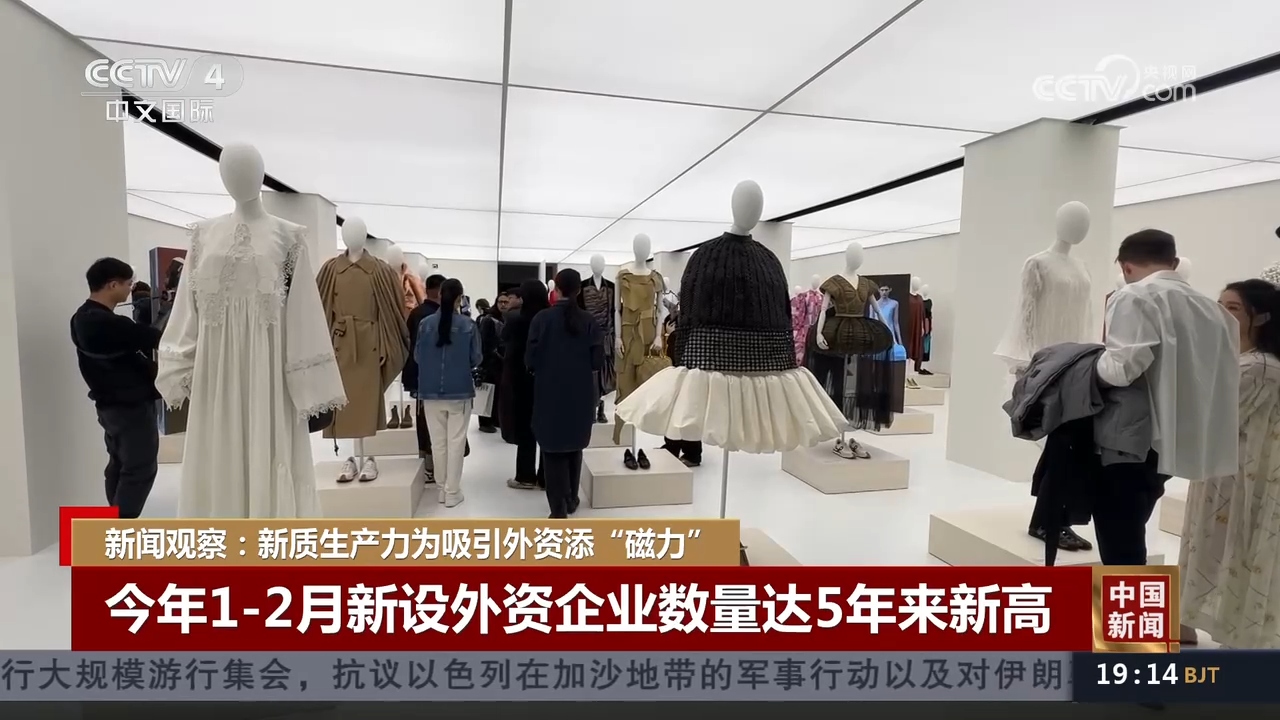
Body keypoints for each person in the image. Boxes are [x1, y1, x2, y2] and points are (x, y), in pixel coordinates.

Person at [1095, 229, 1239, 564]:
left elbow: (1121, 369)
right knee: (1132, 527)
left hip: (1132, 437)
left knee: (1120, 542)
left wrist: (1086, 362)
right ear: (1173, 262)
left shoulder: (1134, 297)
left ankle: (1128, 599)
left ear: (1126, 267)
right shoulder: (1212, 310)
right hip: (1176, 439)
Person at [1179, 279, 1280, 648]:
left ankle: (1238, 631)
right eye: (1219, 304)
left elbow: (1214, 415)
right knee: (1204, 543)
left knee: (1234, 546)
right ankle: (1186, 620)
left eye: (1233, 308)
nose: (1221, 313)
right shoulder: (1236, 359)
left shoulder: (1261, 367)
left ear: (1261, 317)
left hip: (1246, 478)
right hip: (1220, 471)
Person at [70, 258, 163, 519]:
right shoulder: (109, 323)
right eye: (128, 284)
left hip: (109, 406)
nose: (130, 289)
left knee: (120, 464)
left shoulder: (80, 317)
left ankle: (114, 520)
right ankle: (121, 527)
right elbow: (155, 338)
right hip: (129, 406)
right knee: (140, 468)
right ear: (113, 285)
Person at [527, 269, 604, 518]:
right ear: (579, 290)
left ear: (556, 289)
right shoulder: (589, 321)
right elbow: (597, 361)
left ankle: (558, 508)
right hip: (580, 393)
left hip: (548, 392)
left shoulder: (541, 319)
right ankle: (571, 498)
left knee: (552, 450)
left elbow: (530, 360)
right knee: (574, 446)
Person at [415, 278, 480, 508]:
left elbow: (417, 357)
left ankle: (442, 489)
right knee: (456, 442)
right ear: (460, 298)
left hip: (429, 390)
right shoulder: (468, 325)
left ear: (440, 295)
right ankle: (452, 491)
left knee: (437, 443)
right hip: (459, 390)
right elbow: (476, 358)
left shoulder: (425, 324)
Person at [501, 279, 550, 489]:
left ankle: (525, 475)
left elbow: (507, 348)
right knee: (547, 429)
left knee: (525, 429)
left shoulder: (515, 319)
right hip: (547, 380)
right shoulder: (550, 318)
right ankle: (546, 477)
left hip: (521, 381)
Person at [404, 274, 445, 482]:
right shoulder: (438, 316)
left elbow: (409, 343)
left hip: (418, 373)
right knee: (436, 421)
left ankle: (426, 463)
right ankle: (433, 465)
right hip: (435, 375)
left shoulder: (416, 313)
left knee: (423, 418)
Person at [475, 299, 505, 433]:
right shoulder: (489, 320)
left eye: (506, 302)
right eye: (501, 302)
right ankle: (485, 422)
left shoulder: (504, 319)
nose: (503, 305)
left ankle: (494, 419)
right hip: (489, 362)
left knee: (497, 393)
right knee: (488, 391)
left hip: (499, 362)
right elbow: (484, 342)